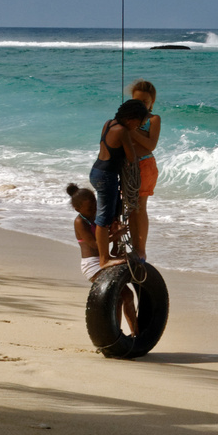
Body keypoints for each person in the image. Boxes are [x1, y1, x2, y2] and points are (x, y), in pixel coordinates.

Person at [67, 183, 136, 333]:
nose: (94, 210)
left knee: (122, 296)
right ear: (78, 209)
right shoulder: (80, 222)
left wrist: (116, 235)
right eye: (90, 209)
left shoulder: (98, 217)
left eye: (95, 206)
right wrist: (117, 234)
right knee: (125, 294)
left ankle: (131, 334)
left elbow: (109, 237)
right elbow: (94, 245)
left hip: (104, 260)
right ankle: (119, 334)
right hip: (92, 265)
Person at [90, 98, 150, 258]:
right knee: (103, 219)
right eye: (137, 125)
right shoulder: (123, 131)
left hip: (97, 171)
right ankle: (104, 259)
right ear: (131, 119)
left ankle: (115, 248)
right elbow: (131, 157)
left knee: (113, 212)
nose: (136, 128)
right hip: (107, 176)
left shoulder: (108, 123)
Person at [127, 80, 160, 259]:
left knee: (140, 207)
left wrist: (132, 132)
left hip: (145, 165)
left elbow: (150, 145)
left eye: (145, 102)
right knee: (131, 208)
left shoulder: (153, 120)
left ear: (152, 102)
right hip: (128, 166)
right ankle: (133, 246)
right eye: (137, 102)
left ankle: (141, 250)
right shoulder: (127, 119)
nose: (141, 106)